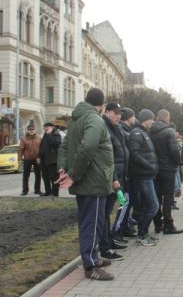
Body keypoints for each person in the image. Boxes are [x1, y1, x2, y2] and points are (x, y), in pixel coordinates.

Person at [56, 88, 115, 280]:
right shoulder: (94, 119)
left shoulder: (75, 119)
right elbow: (88, 146)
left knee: (88, 222)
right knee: (92, 224)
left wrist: (62, 168)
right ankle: (91, 266)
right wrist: (72, 174)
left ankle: (93, 257)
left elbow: (64, 147)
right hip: (94, 181)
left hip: (88, 181)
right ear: (102, 105)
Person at [99, 103, 129, 261]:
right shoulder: (104, 127)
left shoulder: (115, 128)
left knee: (108, 212)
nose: (118, 116)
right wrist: (114, 178)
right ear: (107, 112)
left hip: (118, 177)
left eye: (120, 113)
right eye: (115, 113)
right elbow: (108, 158)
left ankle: (109, 241)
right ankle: (105, 248)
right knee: (104, 214)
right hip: (111, 178)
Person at [150, 109, 183, 235]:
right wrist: (178, 162)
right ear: (167, 118)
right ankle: (168, 224)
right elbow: (174, 150)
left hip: (155, 167)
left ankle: (158, 224)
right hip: (168, 168)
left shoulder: (150, 131)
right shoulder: (169, 131)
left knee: (157, 196)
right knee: (168, 196)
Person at [128, 109, 160, 246]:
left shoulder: (143, 133)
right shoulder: (136, 133)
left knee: (148, 205)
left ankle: (144, 233)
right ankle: (141, 235)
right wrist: (149, 166)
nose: (153, 122)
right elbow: (134, 154)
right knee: (154, 206)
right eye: (151, 119)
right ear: (145, 119)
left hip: (147, 174)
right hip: (142, 175)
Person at [38, 122, 61, 197]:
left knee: (54, 178)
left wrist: (49, 134)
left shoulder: (56, 134)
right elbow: (42, 146)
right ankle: (48, 191)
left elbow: (55, 143)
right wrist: (39, 156)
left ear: (52, 127)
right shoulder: (46, 134)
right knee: (45, 176)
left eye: (47, 127)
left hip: (52, 160)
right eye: (44, 127)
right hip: (44, 159)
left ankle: (55, 193)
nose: (45, 128)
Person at [19, 124, 42, 196]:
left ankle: (37, 190)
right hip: (27, 159)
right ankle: (25, 190)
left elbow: (42, 149)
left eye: (32, 129)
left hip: (37, 159)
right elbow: (20, 150)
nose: (31, 131)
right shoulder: (23, 139)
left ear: (35, 130)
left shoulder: (39, 138)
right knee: (26, 175)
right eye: (30, 130)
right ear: (27, 130)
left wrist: (40, 157)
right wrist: (20, 159)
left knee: (38, 175)